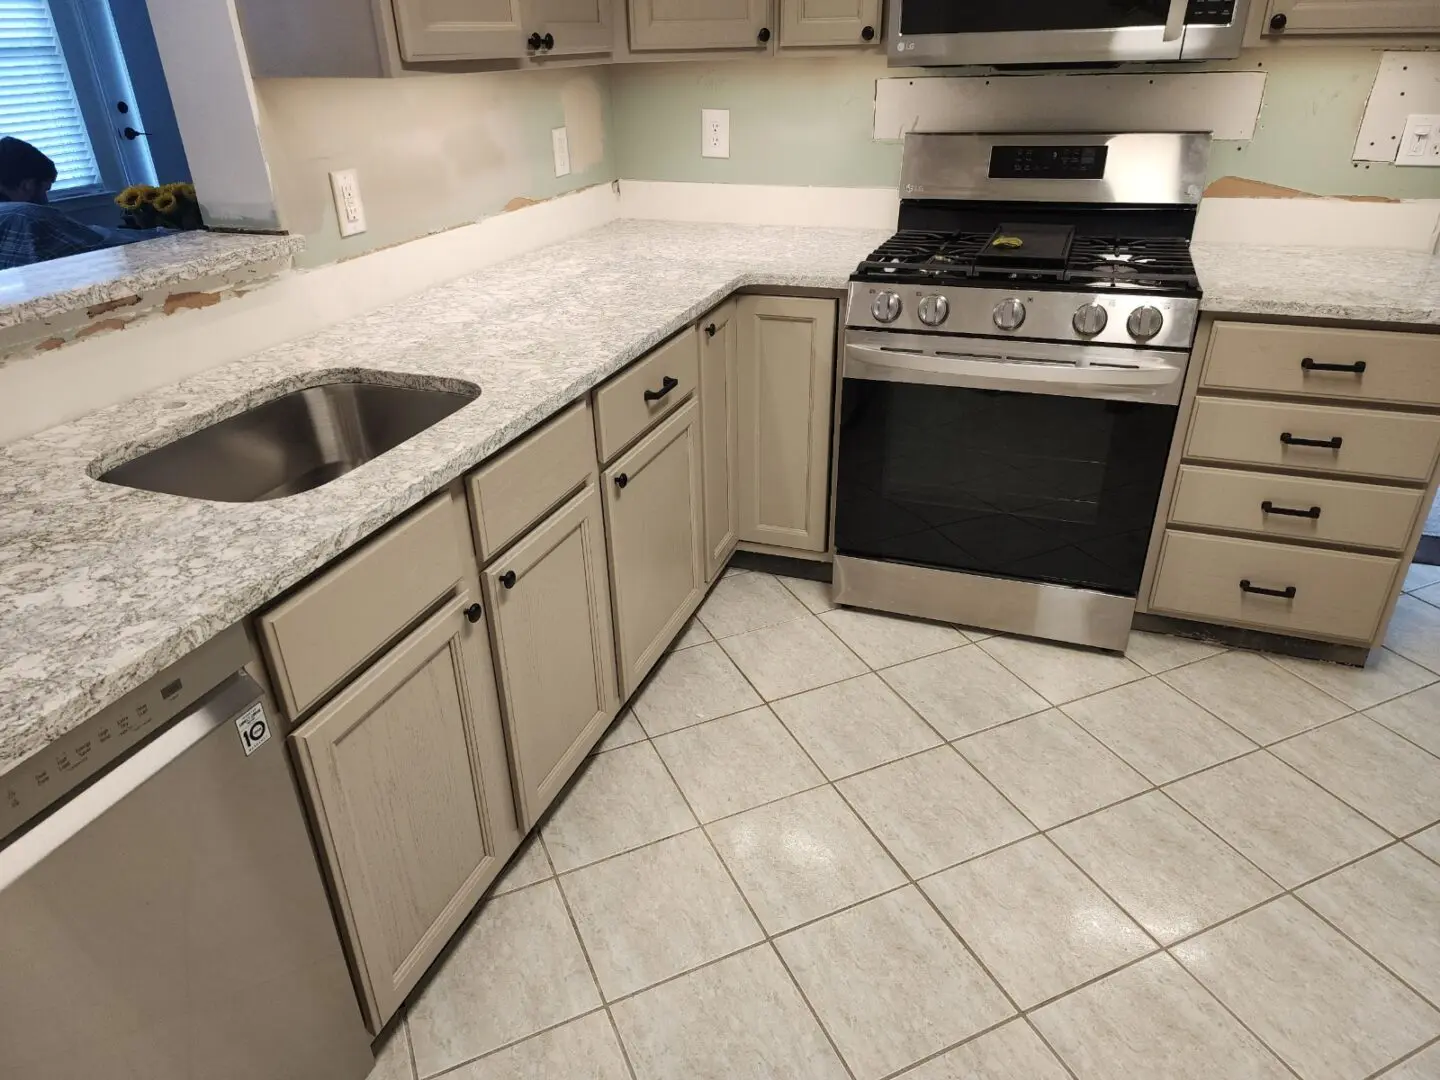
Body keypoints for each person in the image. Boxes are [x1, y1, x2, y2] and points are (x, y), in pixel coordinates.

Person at [0, 136, 167, 270]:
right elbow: (102, 247)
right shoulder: (25, 216)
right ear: (26, 185)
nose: (46, 200)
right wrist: (170, 236)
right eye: (45, 189)